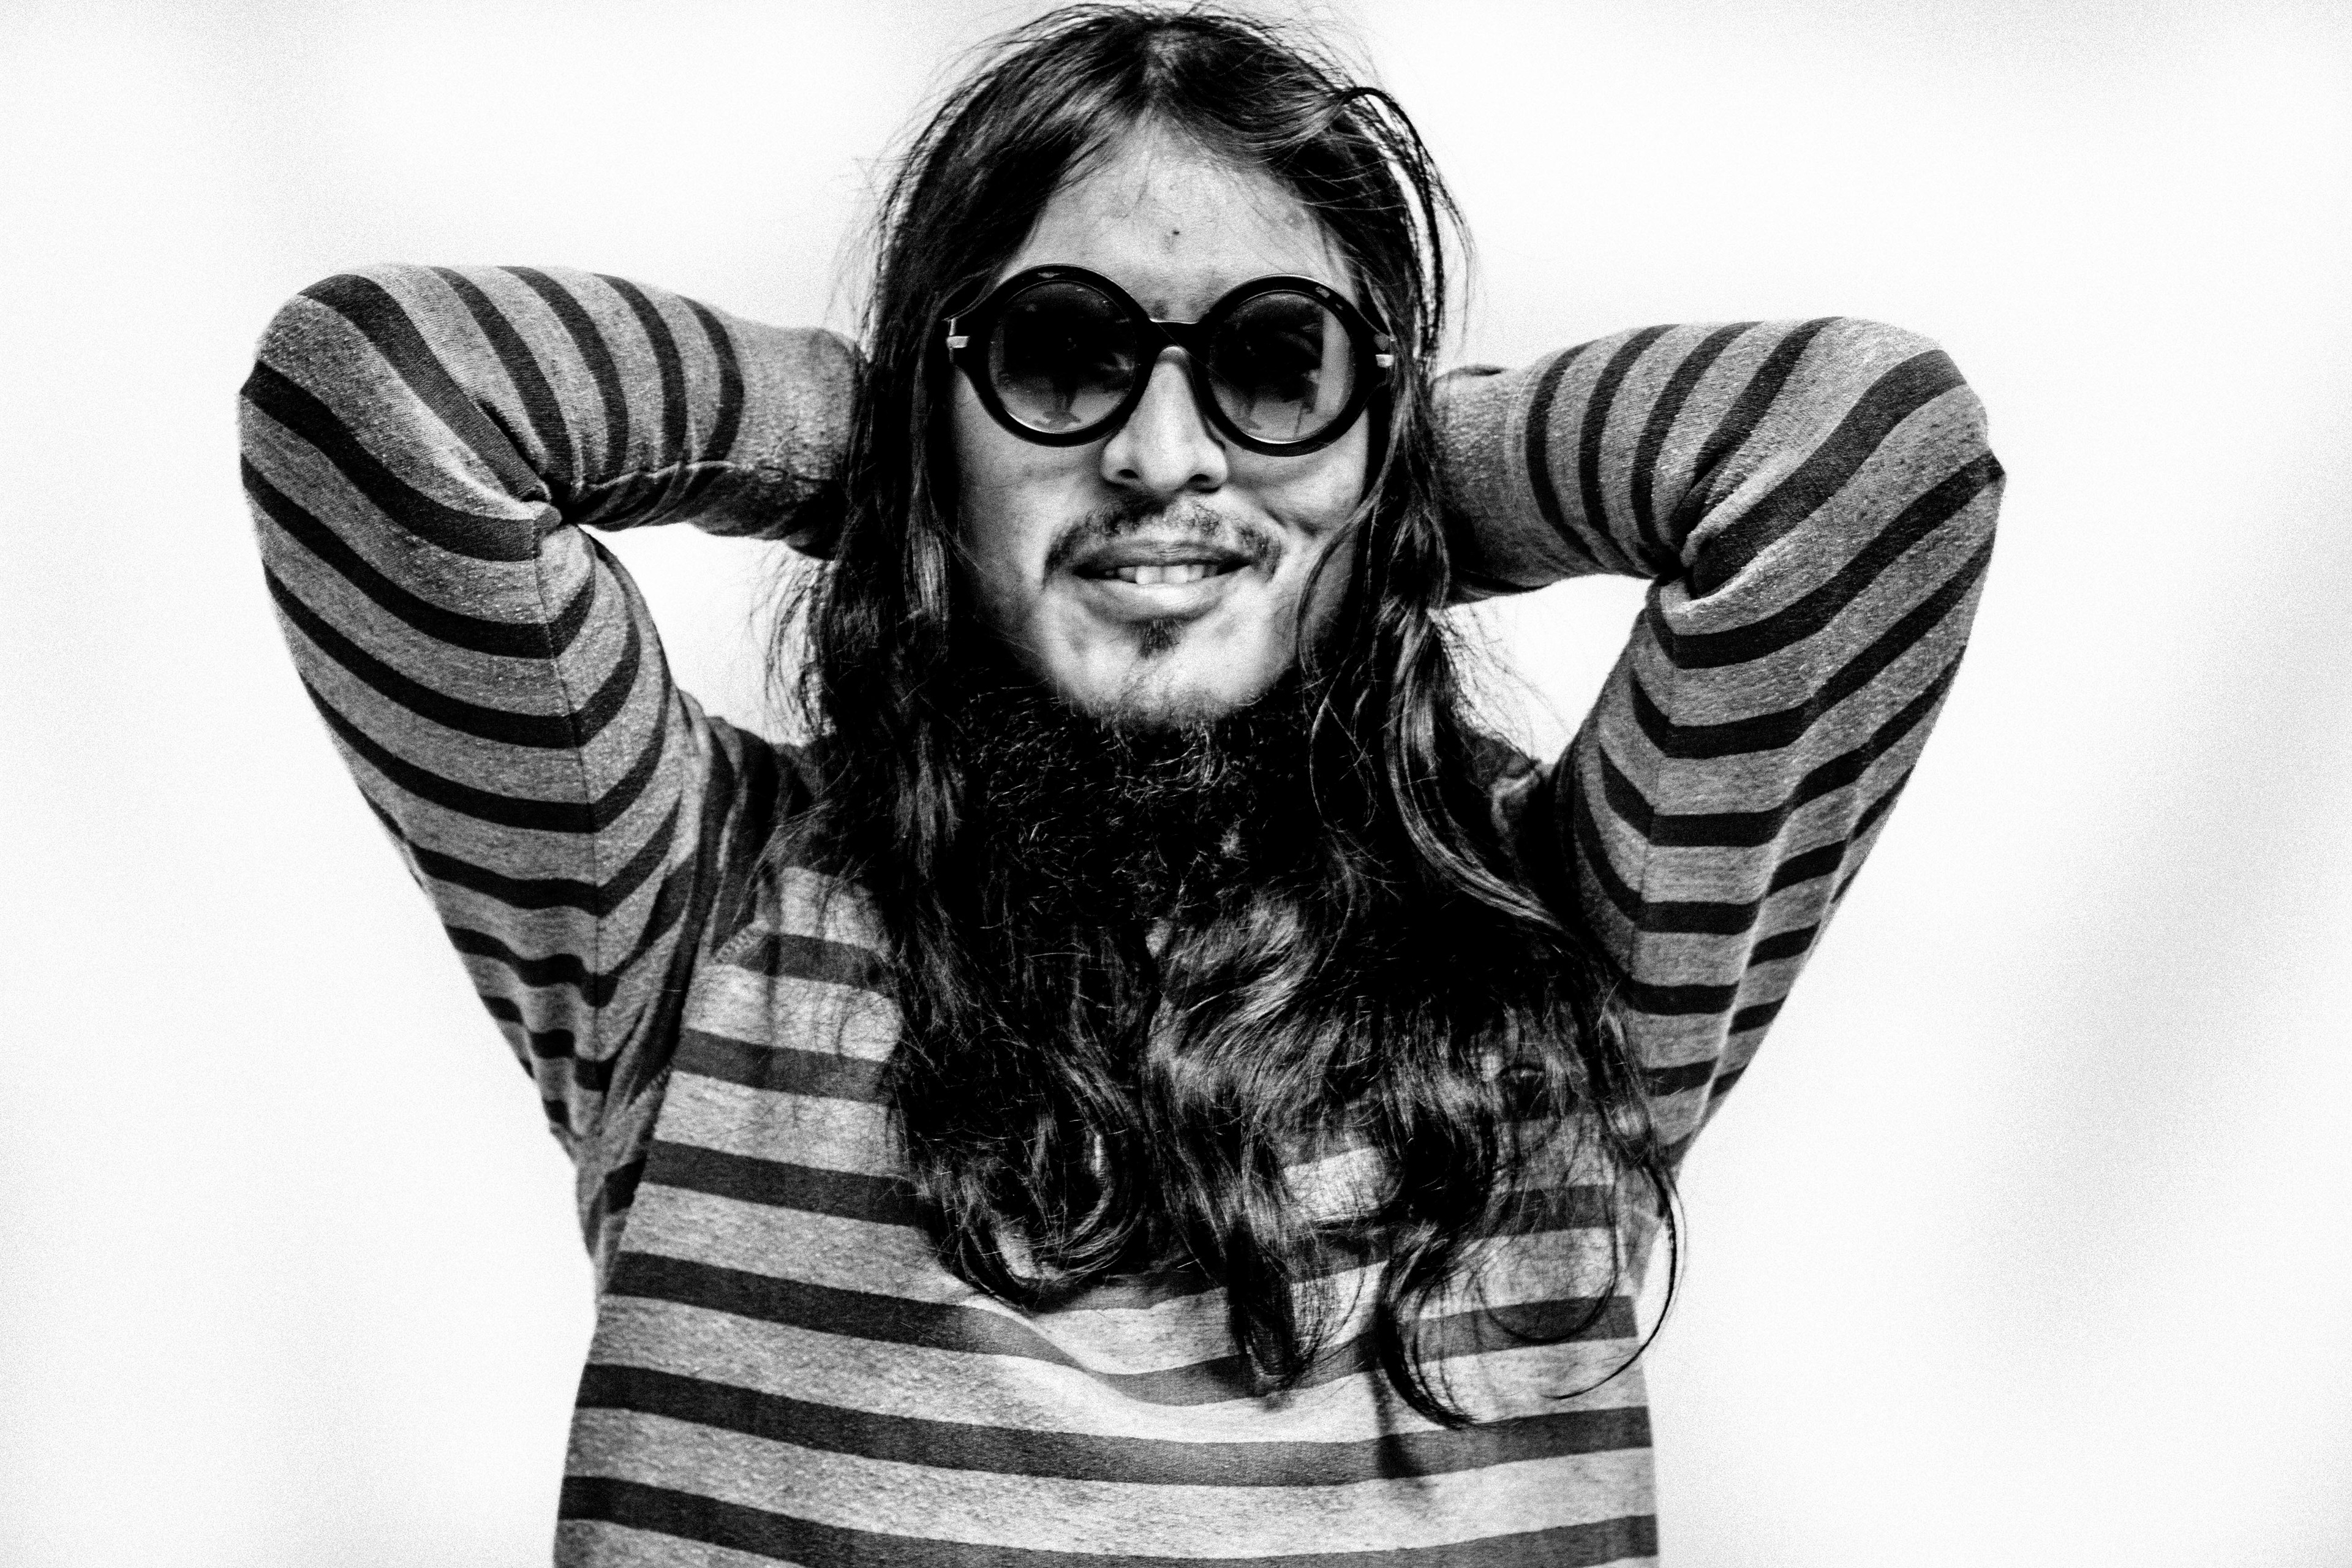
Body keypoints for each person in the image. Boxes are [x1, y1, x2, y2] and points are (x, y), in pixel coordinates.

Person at [239, 7, 2000, 1562]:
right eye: (1057, 355)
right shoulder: (690, 919)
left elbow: (1866, 449)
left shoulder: (1564, 948)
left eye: (1276, 364)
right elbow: (378, 393)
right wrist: (906, 461)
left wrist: (1376, 505)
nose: (1164, 456)